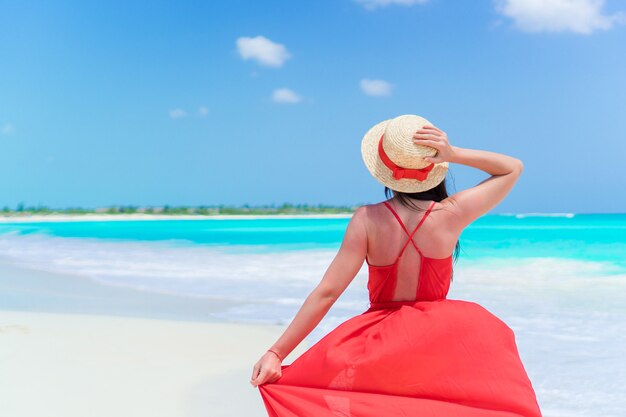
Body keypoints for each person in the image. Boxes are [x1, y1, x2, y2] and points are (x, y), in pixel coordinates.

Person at [251, 114, 543, 416]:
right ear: (433, 167)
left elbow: (327, 293)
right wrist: (454, 154)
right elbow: (512, 168)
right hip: (438, 339)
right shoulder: (451, 214)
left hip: (379, 343)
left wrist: (277, 353)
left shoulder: (367, 219)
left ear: (384, 170)